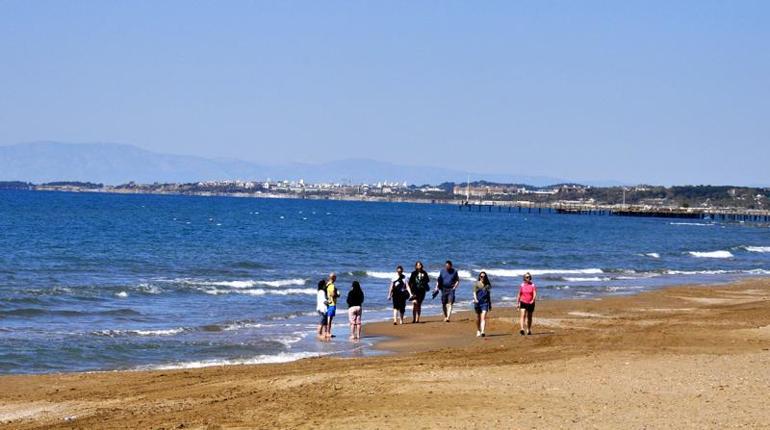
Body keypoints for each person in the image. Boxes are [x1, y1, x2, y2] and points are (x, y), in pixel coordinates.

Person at [473, 271, 492, 337]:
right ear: (479, 277)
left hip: (485, 303)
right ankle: (478, 330)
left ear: (485, 277)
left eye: (484, 276)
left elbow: (488, 295)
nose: (482, 278)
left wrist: (490, 304)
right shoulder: (477, 284)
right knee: (478, 318)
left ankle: (483, 331)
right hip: (478, 302)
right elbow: (474, 293)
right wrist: (475, 299)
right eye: (481, 276)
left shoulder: (488, 285)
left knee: (483, 317)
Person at [325, 273, 340, 338]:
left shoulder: (327, 284)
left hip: (327, 303)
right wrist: (338, 294)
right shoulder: (332, 285)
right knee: (329, 319)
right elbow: (333, 295)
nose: (336, 279)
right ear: (333, 278)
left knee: (327, 318)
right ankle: (328, 332)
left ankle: (326, 332)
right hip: (332, 303)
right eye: (335, 277)